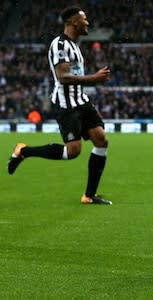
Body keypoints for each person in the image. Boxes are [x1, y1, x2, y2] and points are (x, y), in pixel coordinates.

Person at [7, 6, 112, 205]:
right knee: (72, 152)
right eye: (84, 19)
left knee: (102, 141)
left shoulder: (75, 46)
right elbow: (63, 78)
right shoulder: (59, 45)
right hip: (66, 104)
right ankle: (24, 151)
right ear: (74, 22)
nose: (87, 22)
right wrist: (95, 78)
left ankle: (89, 195)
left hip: (81, 100)